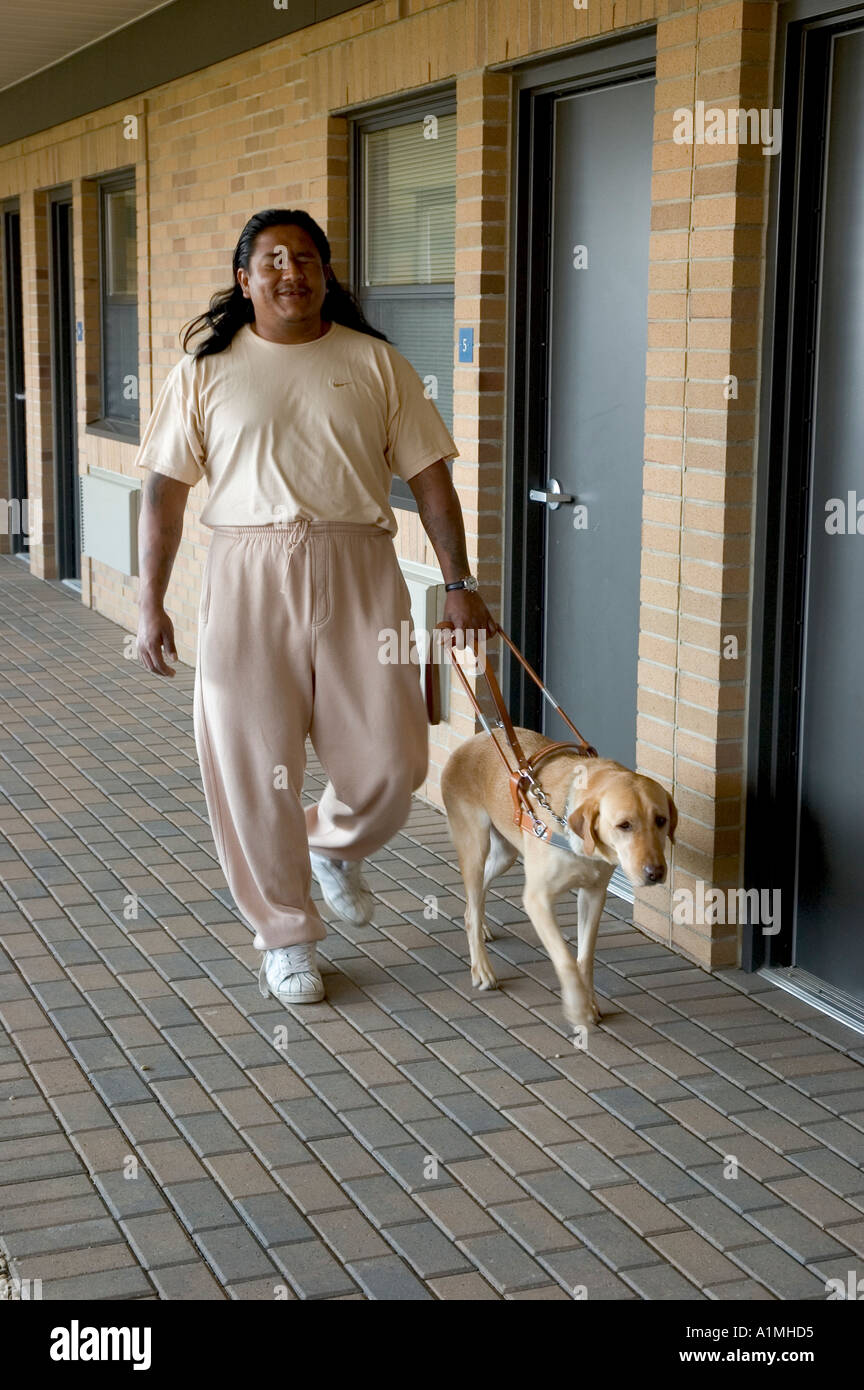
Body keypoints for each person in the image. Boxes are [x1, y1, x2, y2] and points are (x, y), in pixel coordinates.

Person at [135, 208, 496, 1005]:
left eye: (305, 258)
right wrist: (151, 602)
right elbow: (161, 494)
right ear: (244, 279)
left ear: (327, 273)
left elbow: (432, 479)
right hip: (245, 573)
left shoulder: (375, 363)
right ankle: (286, 936)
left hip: (358, 565)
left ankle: (332, 846)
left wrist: (461, 586)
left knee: (394, 759)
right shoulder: (204, 371)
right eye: (272, 260)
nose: (290, 271)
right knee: (251, 770)